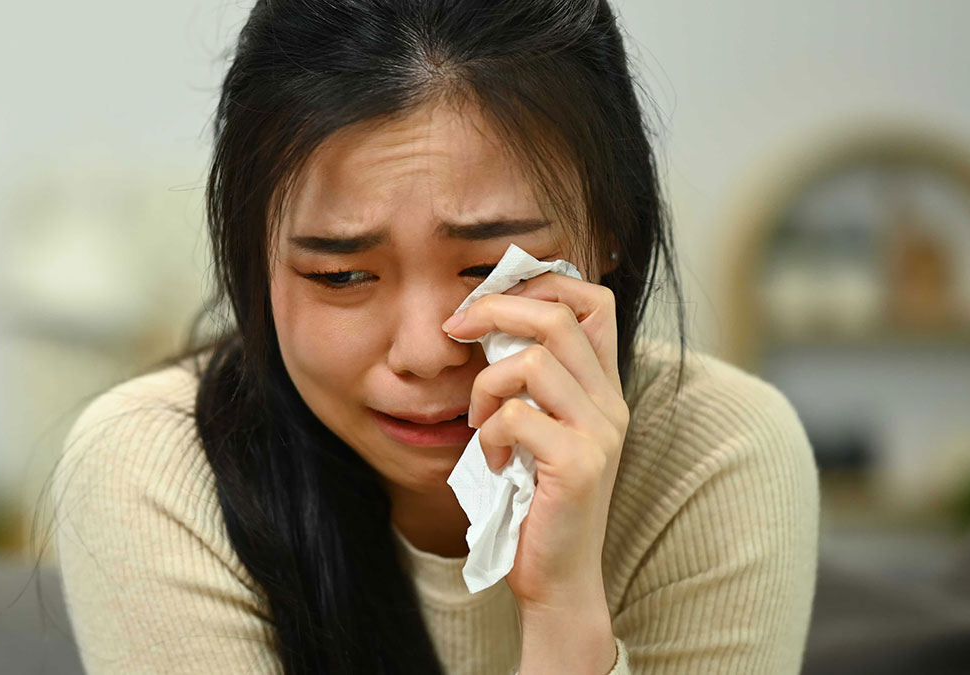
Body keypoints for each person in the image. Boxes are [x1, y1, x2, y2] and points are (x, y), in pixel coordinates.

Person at [50, 1, 820, 673]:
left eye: (487, 265)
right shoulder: (157, 466)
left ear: (611, 231)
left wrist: (563, 612)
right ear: (255, 259)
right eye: (341, 276)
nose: (423, 351)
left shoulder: (716, 456)